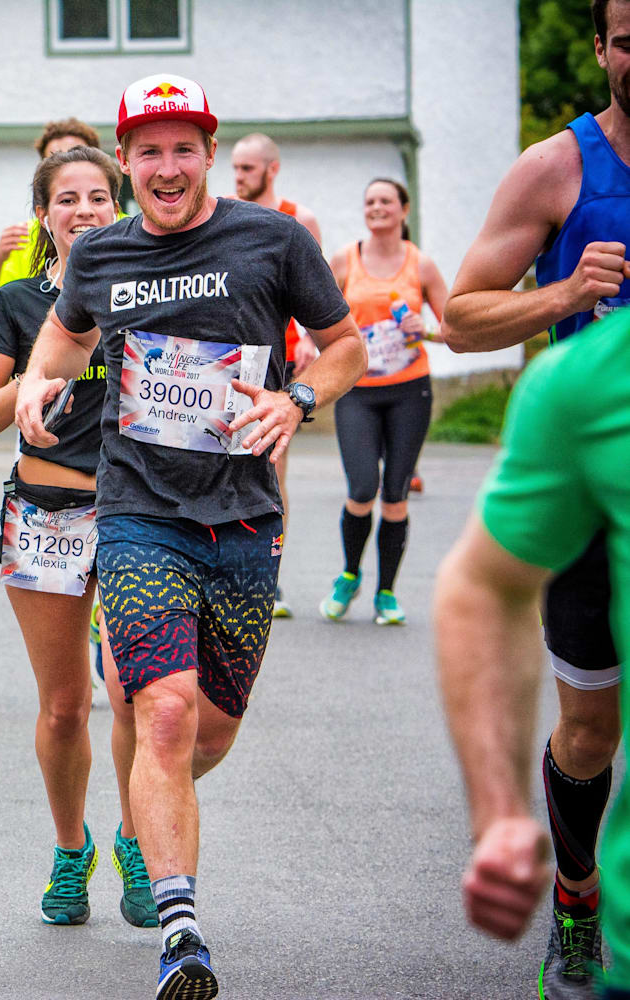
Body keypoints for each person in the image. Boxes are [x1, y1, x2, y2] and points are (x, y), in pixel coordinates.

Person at [15, 72, 364, 999]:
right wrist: (32, 385)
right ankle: (181, 932)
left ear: (210, 153)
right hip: (138, 512)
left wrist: (297, 399)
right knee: (159, 710)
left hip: (246, 518)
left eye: (183, 148)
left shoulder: (275, 241)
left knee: (210, 730)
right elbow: (60, 341)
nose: (166, 167)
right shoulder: (101, 256)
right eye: (147, 151)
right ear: (125, 162)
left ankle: (140, 824)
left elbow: (347, 348)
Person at [441, 1, 630, 992]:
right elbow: (460, 316)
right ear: (602, 48)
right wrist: (561, 296)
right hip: (592, 501)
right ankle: (579, 891)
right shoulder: (559, 170)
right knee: (593, 731)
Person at [0, 144, 157, 930]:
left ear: (122, 207)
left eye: (99, 198)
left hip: (140, 515)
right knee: (65, 707)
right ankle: (70, 849)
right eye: (67, 199)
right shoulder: (16, 304)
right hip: (45, 513)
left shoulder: (151, 295)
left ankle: (139, 844)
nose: (84, 211)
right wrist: (38, 378)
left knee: (138, 697)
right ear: (45, 214)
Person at [436, 306, 630, 1000]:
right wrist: (497, 814)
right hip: (587, 542)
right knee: (589, 732)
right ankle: (577, 895)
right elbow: (481, 587)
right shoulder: (588, 379)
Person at [319, 179, 449, 626]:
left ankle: (387, 593)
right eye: (369, 200)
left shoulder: (422, 266)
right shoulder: (344, 260)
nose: (376, 207)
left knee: (395, 495)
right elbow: (314, 310)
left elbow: (454, 327)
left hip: (410, 390)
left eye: (386, 201)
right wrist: (308, 350)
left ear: (404, 210)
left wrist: (425, 330)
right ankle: (350, 573)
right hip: (356, 390)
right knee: (361, 489)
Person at [230, 132, 323, 618]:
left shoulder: (297, 219)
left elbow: (317, 295)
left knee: (272, 468)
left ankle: (271, 576)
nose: (238, 176)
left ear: (272, 168)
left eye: (247, 168)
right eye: (235, 167)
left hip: (280, 366)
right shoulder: (227, 214)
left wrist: (309, 337)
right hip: (235, 361)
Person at [0, 118, 104, 325]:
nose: (68, 167)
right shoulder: (23, 238)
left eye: (76, 156)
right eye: (56, 159)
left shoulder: (128, 230)